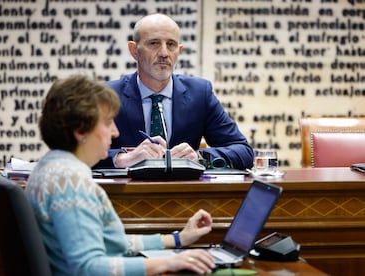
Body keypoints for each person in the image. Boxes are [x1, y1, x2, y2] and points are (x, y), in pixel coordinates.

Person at [25, 75, 216, 275]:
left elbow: (109, 241)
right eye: (108, 123)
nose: (115, 132)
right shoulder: (70, 181)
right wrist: (169, 263)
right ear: (81, 130)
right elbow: (88, 268)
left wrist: (178, 239)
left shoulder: (52, 167)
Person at [95, 13, 254, 170]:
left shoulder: (200, 93)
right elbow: (77, 150)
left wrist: (200, 158)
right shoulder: (109, 95)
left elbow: (243, 151)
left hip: (185, 193)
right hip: (127, 194)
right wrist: (122, 158)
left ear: (179, 50)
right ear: (134, 50)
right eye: (154, 43)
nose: (164, 53)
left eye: (171, 44)